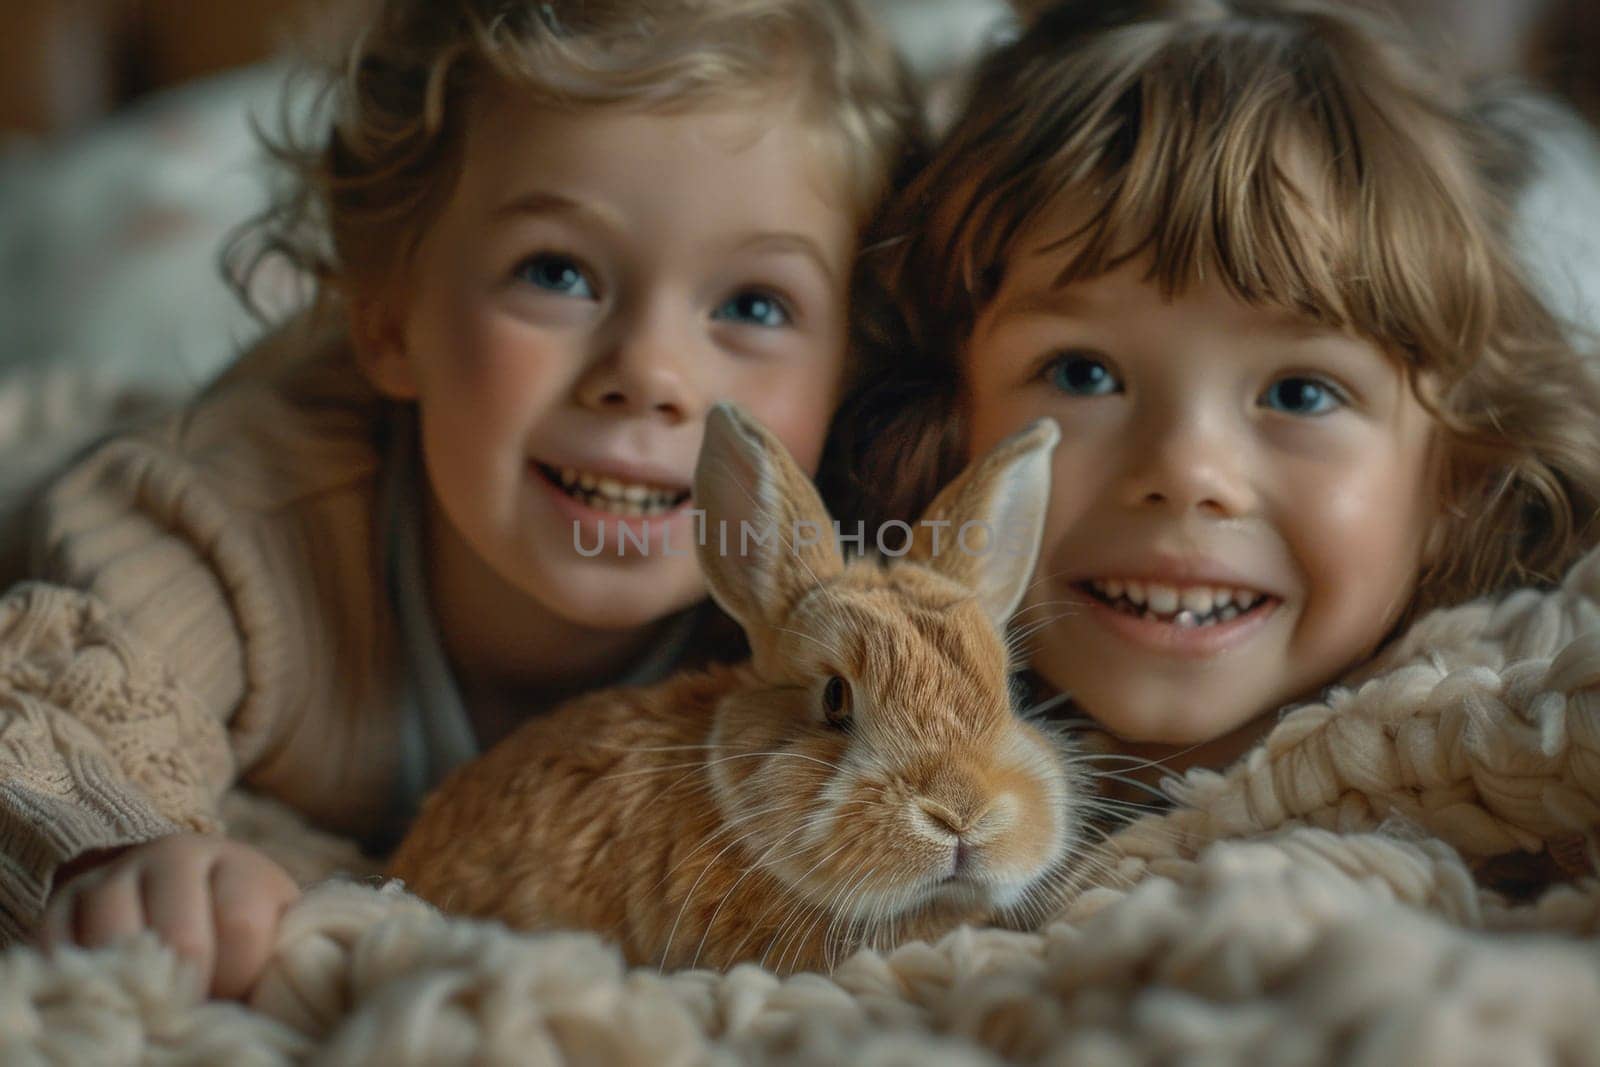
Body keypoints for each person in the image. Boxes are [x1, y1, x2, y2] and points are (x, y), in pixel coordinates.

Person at [0, 0, 922, 999]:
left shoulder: (822, 603)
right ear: (391, 318)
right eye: (557, 271)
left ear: (849, 369)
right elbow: (55, 695)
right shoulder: (235, 523)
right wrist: (118, 849)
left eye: (753, 304)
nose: (653, 372)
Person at [842, 0, 1600, 787]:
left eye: (1302, 392)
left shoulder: (1540, 765)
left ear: (1458, 476)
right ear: (943, 422)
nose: (1188, 470)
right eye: (1082, 373)